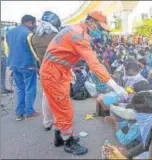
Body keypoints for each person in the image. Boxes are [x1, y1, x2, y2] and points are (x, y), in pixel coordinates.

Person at [40, 11, 127, 155]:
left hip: (56, 71)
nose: (101, 32)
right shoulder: (80, 35)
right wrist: (116, 86)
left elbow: (61, 52)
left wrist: (68, 69)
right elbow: (95, 64)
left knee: (59, 106)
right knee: (64, 109)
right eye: (100, 28)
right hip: (54, 74)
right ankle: (68, 142)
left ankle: (59, 137)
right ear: (91, 22)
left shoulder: (74, 29)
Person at [27, 11, 61, 130]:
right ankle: (60, 122)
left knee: (46, 96)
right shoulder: (57, 36)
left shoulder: (33, 37)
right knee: (60, 97)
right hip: (57, 71)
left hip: (43, 70)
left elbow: (36, 55)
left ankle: (47, 122)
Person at [5, 15, 39, 121]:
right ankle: (29, 112)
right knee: (30, 88)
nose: (34, 26)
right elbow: (34, 50)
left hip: (14, 64)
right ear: (29, 22)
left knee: (20, 89)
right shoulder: (29, 33)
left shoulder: (9, 33)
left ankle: (19, 113)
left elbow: (8, 49)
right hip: (28, 64)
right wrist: (38, 64)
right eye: (33, 23)